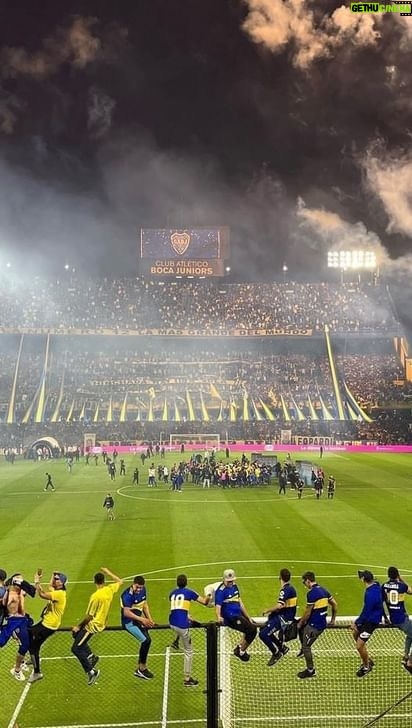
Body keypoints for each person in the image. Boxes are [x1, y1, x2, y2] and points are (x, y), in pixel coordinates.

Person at [71, 567, 123, 685]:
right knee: (76, 635)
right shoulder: (109, 589)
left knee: (75, 649)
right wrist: (108, 571)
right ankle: (91, 656)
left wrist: (78, 626)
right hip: (100, 623)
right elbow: (120, 581)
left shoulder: (95, 596)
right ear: (103, 581)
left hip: (93, 625)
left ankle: (91, 671)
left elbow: (89, 616)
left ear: (94, 582)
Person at [169, 574, 210, 687]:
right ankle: (187, 679)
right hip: (182, 626)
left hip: (171, 623)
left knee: (187, 619)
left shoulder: (172, 594)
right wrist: (209, 595)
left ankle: (176, 641)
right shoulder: (189, 592)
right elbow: (205, 602)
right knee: (189, 650)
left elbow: (178, 609)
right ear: (186, 582)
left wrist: (189, 618)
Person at [28, 570, 68, 683]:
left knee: (28, 636)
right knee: (33, 642)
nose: (55, 580)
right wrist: (53, 575)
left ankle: (37, 672)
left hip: (48, 625)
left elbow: (42, 594)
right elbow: (50, 585)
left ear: (62, 583)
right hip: (47, 623)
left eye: (57, 579)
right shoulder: (57, 590)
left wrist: (37, 582)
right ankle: (34, 657)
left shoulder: (58, 594)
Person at [297, 571, 337, 679]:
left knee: (306, 647)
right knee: (301, 630)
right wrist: (333, 619)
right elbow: (334, 604)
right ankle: (302, 649)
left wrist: (300, 623)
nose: (304, 585)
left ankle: (310, 670)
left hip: (314, 626)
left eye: (304, 582)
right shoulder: (324, 591)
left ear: (308, 581)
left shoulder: (311, 594)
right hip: (321, 623)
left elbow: (308, 612)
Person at [215, 569, 257, 662]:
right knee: (252, 630)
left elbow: (240, 602)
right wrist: (218, 616)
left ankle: (239, 648)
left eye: (232, 580)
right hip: (231, 618)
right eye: (229, 581)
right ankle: (241, 651)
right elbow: (218, 606)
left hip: (238, 615)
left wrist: (248, 617)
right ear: (224, 579)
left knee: (250, 628)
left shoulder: (235, 586)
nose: (231, 583)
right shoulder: (220, 591)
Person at [0, 574, 36, 681]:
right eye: (19, 580)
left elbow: (32, 592)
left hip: (23, 620)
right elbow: (3, 603)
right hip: (15, 621)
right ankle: (16, 670)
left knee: (27, 643)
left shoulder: (20, 592)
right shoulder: (10, 595)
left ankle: (20, 664)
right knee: (22, 645)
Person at [259, 568, 297, 666]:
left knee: (263, 634)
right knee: (263, 628)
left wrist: (267, 610)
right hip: (285, 616)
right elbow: (284, 605)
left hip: (284, 619)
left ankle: (276, 653)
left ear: (280, 577)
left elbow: (280, 605)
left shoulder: (284, 590)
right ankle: (281, 647)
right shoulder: (291, 589)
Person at [121, 575, 155, 679]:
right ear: (133, 583)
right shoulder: (127, 595)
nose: (139, 589)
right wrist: (142, 620)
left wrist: (149, 619)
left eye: (141, 587)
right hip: (129, 623)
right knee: (146, 641)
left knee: (147, 640)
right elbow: (126, 613)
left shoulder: (143, 590)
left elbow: (144, 605)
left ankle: (141, 669)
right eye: (137, 587)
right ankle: (141, 669)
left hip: (138, 621)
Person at [351, 570, 383, 677]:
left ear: (363, 579)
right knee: (355, 633)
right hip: (369, 618)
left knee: (359, 646)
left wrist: (356, 622)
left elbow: (367, 611)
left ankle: (366, 666)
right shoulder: (376, 586)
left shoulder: (370, 594)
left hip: (371, 621)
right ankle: (368, 659)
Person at [382, 566, 412, 672]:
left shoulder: (384, 586)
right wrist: (401, 578)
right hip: (401, 619)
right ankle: (410, 663)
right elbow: (411, 591)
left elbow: (381, 604)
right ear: (397, 575)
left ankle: (406, 656)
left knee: (410, 635)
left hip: (394, 617)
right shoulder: (402, 586)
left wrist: (385, 618)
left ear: (388, 575)